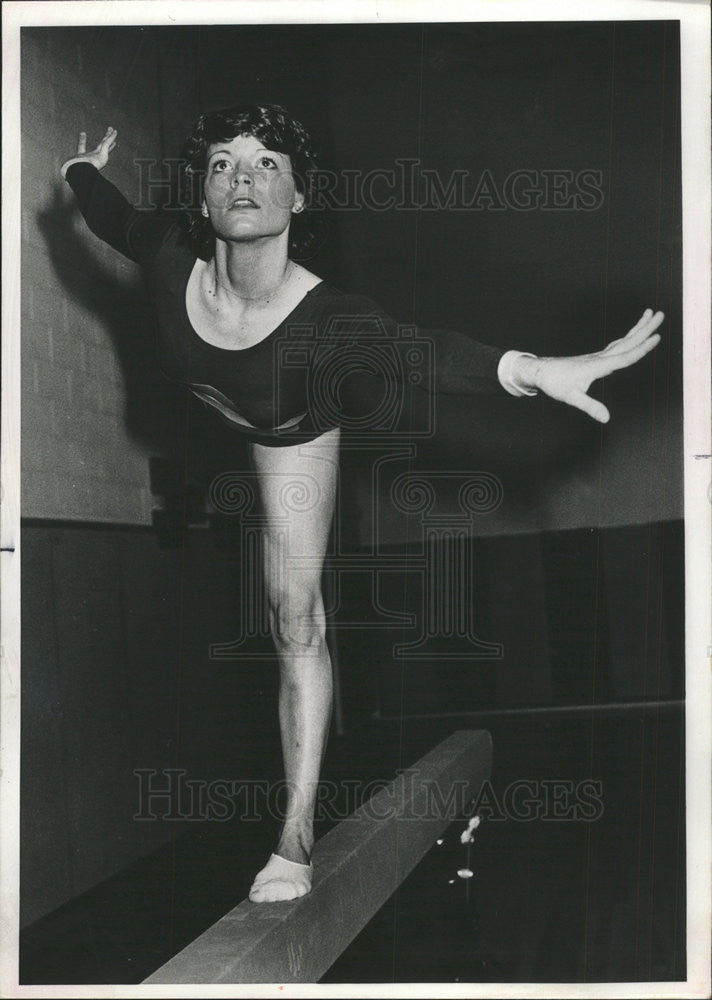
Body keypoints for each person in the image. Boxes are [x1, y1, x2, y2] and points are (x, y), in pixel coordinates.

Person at [60, 104, 664, 903]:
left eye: (269, 162)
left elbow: (428, 353)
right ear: (202, 201)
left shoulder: (333, 320)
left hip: (296, 419)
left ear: (298, 199)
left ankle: (295, 836)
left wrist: (534, 369)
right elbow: (110, 214)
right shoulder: (169, 255)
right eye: (222, 163)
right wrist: (76, 172)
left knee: (293, 615)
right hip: (229, 411)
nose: (243, 175)